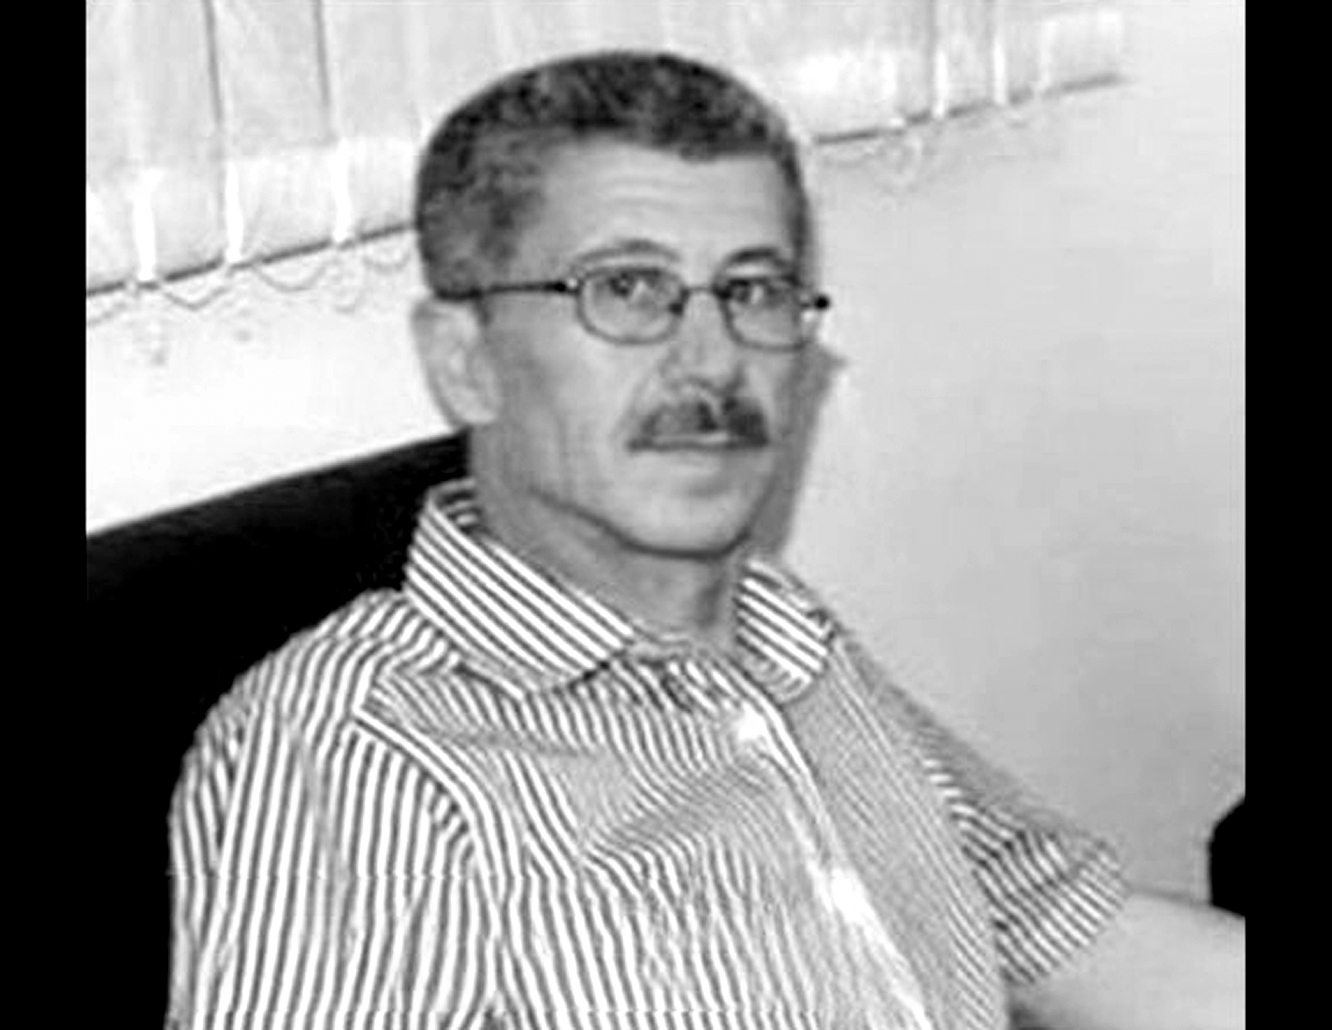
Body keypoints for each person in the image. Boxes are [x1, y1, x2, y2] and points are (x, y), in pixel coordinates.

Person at [168, 50, 1244, 1029]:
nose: (712, 362)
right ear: (466, 361)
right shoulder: (363, 751)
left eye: (753, 290)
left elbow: (1068, 927)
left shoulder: (785, 642)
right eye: (626, 289)